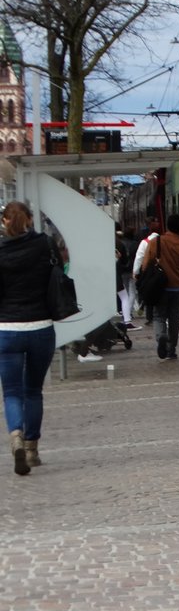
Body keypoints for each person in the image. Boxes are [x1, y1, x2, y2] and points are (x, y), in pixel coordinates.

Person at [0, 201, 56, 476]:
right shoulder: (44, 245)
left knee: (11, 392)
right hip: (41, 327)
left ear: (4, 222)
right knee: (33, 390)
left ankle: (15, 436)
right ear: (30, 220)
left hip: (7, 330)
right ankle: (32, 450)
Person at [152, 213, 179, 360]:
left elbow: (145, 264)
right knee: (175, 319)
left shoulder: (156, 242)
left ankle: (161, 336)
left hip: (160, 288)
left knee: (158, 316)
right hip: (178, 288)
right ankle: (171, 349)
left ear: (167, 226)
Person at [132, 224, 159, 322]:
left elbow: (139, 257)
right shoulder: (163, 241)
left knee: (148, 290)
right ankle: (157, 313)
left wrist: (135, 271)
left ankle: (149, 315)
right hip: (161, 271)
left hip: (147, 271)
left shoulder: (145, 242)